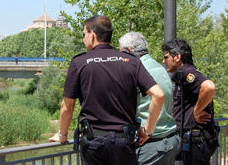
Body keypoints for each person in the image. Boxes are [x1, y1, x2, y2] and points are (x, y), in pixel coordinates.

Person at [48, 15, 165, 165]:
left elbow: (67, 106)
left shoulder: (80, 62)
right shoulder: (131, 61)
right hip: (124, 143)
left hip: (94, 144)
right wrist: (147, 130)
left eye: (84, 34)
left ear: (93, 34)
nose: (83, 39)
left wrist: (62, 134)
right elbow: (159, 95)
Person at [119, 32, 180, 165]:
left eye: (121, 52)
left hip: (150, 145)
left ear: (128, 51)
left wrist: (147, 130)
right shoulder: (159, 67)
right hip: (169, 141)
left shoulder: (138, 70)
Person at [161, 39, 219, 165]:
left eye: (166, 57)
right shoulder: (181, 74)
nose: (163, 61)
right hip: (193, 141)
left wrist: (196, 112)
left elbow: (209, 86)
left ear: (177, 57)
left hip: (196, 141)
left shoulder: (188, 72)